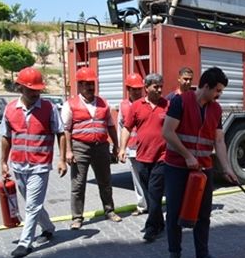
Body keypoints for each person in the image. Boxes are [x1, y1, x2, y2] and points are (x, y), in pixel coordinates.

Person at [162, 67, 238, 258]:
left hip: (204, 169)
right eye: (217, 90)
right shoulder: (180, 101)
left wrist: (227, 168)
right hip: (177, 167)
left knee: (203, 214)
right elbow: (168, 132)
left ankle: (202, 254)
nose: (219, 95)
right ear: (206, 86)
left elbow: (219, 140)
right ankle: (174, 254)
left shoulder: (216, 109)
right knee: (175, 212)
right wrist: (187, 156)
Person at [0, 67, 67, 258]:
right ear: (20, 88)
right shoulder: (10, 109)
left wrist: (62, 159)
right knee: (33, 204)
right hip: (18, 165)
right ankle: (48, 227)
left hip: (40, 166)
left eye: (38, 90)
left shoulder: (49, 108)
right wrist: (3, 163)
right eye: (31, 90)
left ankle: (25, 242)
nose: (35, 93)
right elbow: (6, 137)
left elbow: (60, 133)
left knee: (31, 205)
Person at [62, 66, 122, 229]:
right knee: (78, 184)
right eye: (86, 84)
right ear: (80, 85)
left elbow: (111, 126)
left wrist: (116, 146)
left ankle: (109, 211)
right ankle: (77, 217)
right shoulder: (70, 104)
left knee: (105, 181)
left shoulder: (104, 103)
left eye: (92, 84)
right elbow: (66, 129)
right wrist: (68, 150)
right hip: (80, 147)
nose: (90, 87)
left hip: (101, 147)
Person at [119, 73, 168, 242]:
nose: (160, 89)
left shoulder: (167, 105)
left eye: (161, 86)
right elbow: (126, 128)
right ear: (146, 88)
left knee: (154, 192)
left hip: (162, 157)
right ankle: (160, 223)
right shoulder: (136, 106)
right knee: (149, 195)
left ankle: (151, 228)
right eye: (156, 86)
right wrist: (122, 148)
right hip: (142, 157)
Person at [119, 73, 147, 216]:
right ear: (128, 89)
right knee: (137, 179)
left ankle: (152, 203)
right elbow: (121, 127)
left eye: (139, 89)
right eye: (134, 89)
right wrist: (121, 148)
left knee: (149, 177)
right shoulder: (123, 105)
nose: (137, 92)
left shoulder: (146, 103)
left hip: (146, 148)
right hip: (131, 148)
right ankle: (143, 206)